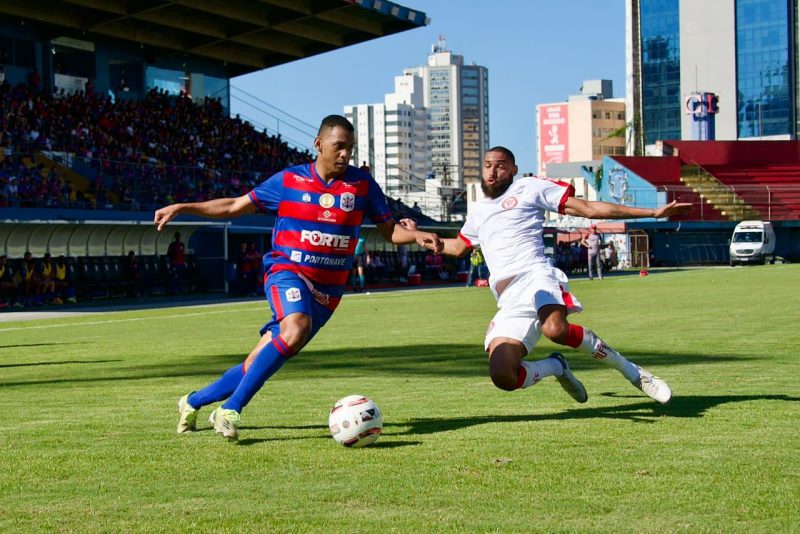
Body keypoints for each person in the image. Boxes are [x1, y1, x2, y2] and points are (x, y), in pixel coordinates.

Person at [155, 114, 442, 442]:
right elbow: (235, 205)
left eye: (350, 148)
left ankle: (192, 401)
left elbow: (390, 232)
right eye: (338, 147)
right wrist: (183, 207)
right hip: (287, 271)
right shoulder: (289, 181)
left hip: (327, 293)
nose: (345, 154)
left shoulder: (362, 186)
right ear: (318, 145)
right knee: (295, 328)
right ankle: (230, 409)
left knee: (258, 360)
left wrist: (416, 236)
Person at [406, 146, 690, 406]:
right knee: (503, 376)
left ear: (513, 170)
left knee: (555, 330)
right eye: (487, 165)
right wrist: (430, 239)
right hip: (508, 298)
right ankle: (556, 366)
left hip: (536, 277)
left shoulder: (529, 188)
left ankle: (634, 373)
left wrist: (653, 212)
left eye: (501, 166)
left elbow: (589, 209)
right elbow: (457, 247)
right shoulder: (478, 211)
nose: (492, 172)